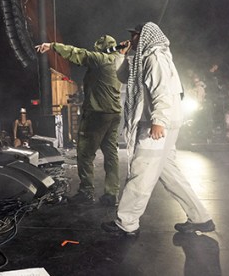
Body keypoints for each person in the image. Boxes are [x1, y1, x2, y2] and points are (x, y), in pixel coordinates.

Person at [102, 22, 215, 237]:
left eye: (135, 36)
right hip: (163, 123)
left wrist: (158, 121)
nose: (132, 40)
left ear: (145, 36)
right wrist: (121, 56)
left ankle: (127, 223)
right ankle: (201, 218)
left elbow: (162, 91)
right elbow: (125, 77)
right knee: (169, 173)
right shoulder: (145, 58)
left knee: (141, 172)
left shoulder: (155, 58)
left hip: (157, 125)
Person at [36, 34, 125, 206]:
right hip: (113, 114)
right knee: (111, 154)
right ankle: (111, 194)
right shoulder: (119, 61)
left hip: (97, 114)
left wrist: (53, 46)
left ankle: (86, 192)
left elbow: (78, 54)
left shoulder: (102, 60)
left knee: (85, 153)